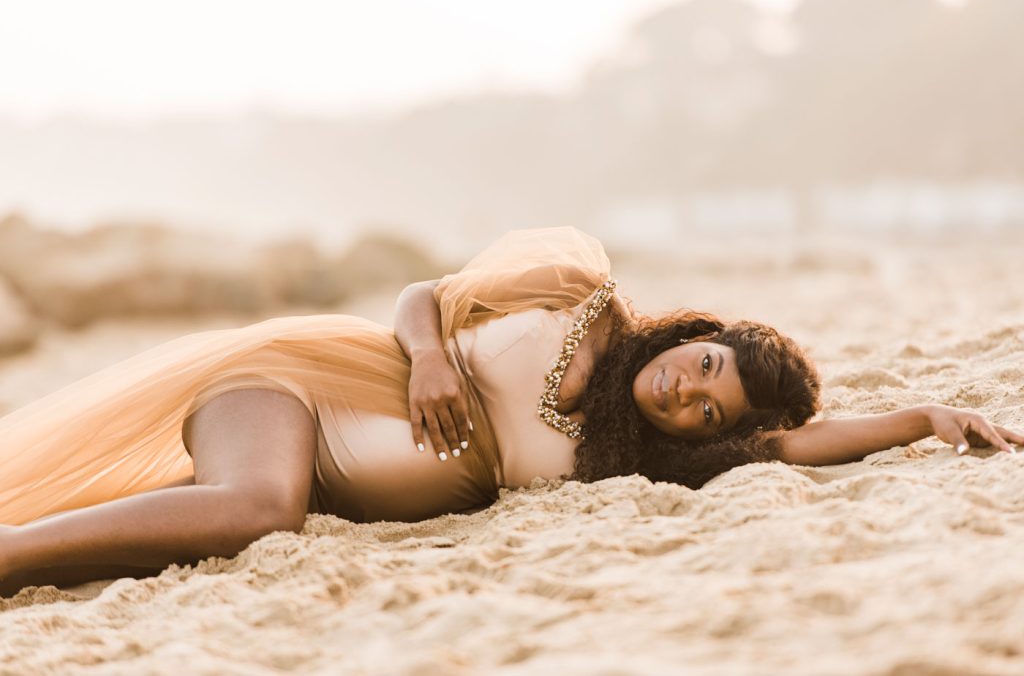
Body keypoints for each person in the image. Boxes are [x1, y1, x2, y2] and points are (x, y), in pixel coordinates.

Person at [0, 226, 1019, 595]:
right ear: (687, 334)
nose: (687, 391)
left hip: (323, 476)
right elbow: (418, 298)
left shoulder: (630, 457)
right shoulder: (579, 292)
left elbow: (794, 446)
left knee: (166, 535)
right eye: (702, 363)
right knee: (256, 510)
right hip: (297, 394)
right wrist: (432, 356)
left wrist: (923, 417)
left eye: (710, 409)